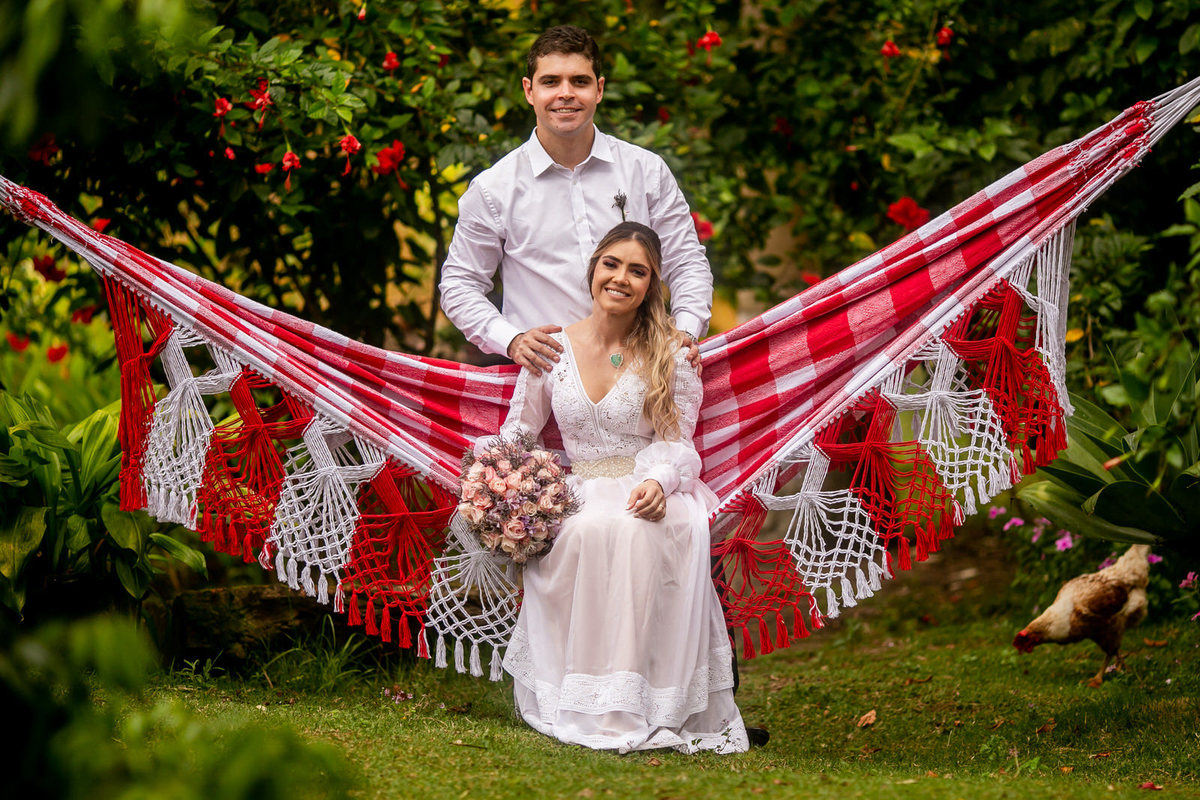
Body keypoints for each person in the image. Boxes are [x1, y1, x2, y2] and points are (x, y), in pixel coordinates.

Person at [486, 222, 748, 754]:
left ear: (651, 285)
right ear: (593, 269)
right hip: (578, 487)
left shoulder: (671, 352)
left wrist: (658, 480)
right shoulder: (551, 348)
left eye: (638, 271)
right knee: (581, 528)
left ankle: (643, 702)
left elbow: (680, 442)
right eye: (612, 264)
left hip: (651, 486)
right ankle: (579, 698)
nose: (621, 278)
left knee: (628, 529)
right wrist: (501, 481)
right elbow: (519, 430)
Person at [439, 25, 712, 376]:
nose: (565, 94)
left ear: (599, 89)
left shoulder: (646, 171)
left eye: (579, 82)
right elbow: (460, 285)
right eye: (551, 82)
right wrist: (512, 339)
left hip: (644, 376)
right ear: (529, 90)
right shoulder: (494, 188)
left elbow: (686, 262)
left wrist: (684, 333)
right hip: (545, 381)